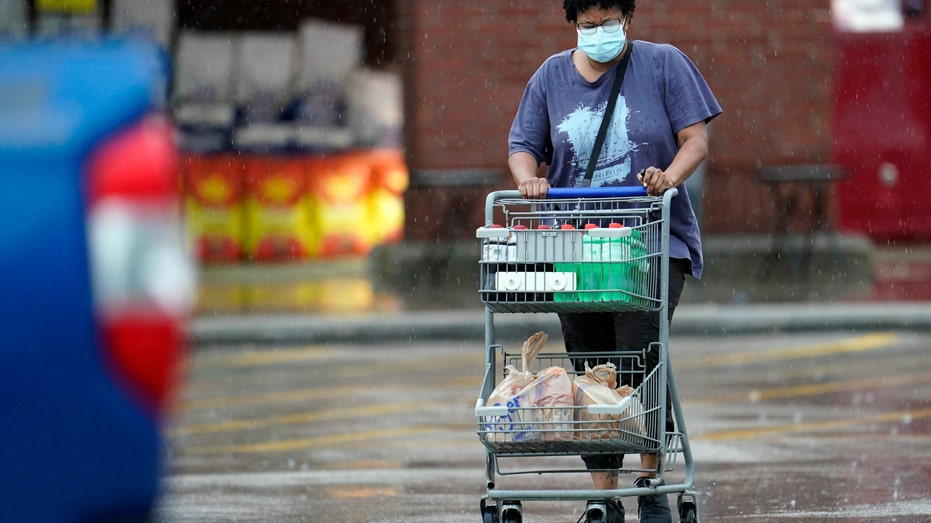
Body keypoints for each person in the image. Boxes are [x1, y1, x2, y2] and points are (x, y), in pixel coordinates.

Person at [507, 1, 722, 522]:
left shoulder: (663, 63)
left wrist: (668, 176)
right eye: (587, 23)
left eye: (608, 21)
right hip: (576, 248)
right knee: (589, 366)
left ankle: (650, 481)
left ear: (628, 19)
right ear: (573, 24)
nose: (598, 31)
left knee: (640, 356)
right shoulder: (550, 78)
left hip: (650, 242)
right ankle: (603, 494)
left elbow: (695, 139)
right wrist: (528, 179)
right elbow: (522, 146)